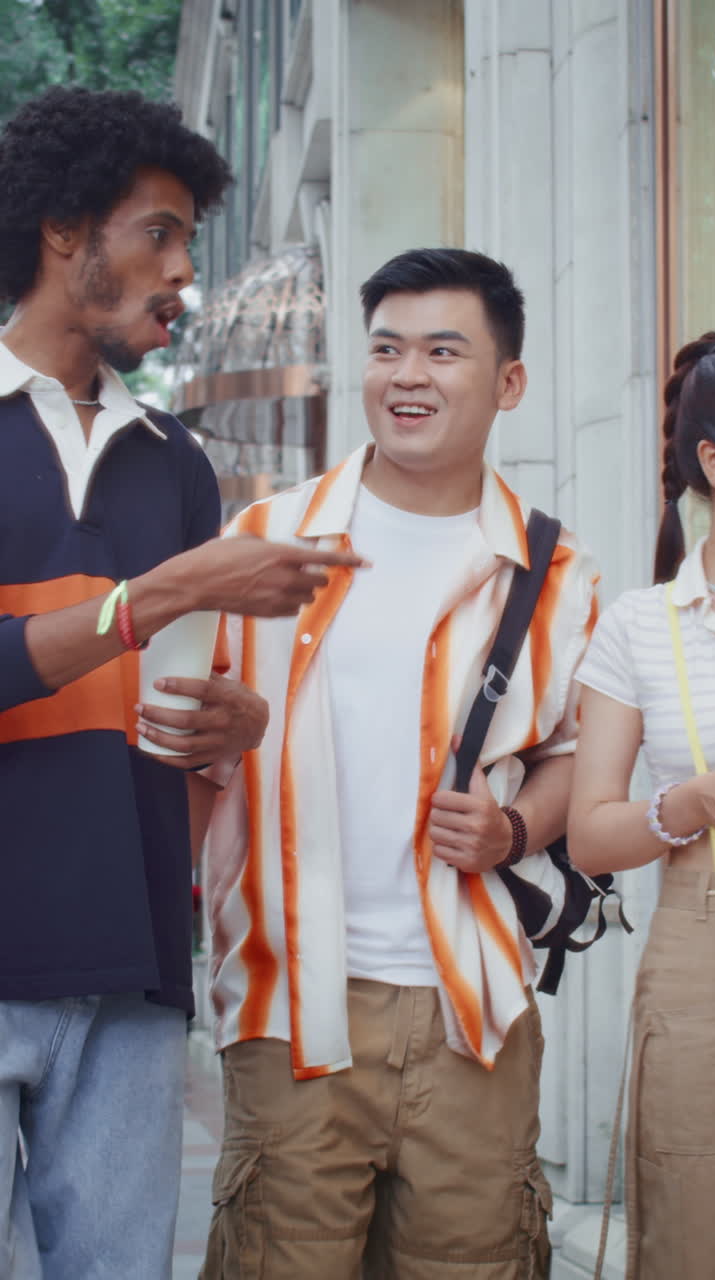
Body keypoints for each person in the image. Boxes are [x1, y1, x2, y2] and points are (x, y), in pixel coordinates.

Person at [0, 85, 360, 1280]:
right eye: (159, 232)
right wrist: (146, 598)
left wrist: (238, 723)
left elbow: (197, 719)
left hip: (137, 962)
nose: (183, 272)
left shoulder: (181, 469)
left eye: (189, 243)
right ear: (66, 231)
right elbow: (127, 625)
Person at [201, 247, 599, 1279]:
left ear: (508, 381)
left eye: (441, 350)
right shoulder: (262, 539)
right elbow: (186, 749)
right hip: (292, 999)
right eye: (386, 349)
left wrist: (516, 829)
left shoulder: (557, 574)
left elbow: (574, 760)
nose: (406, 375)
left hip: (473, 1011)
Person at [569, 332, 715, 1279]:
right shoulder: (640, 625)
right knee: (690, 1221)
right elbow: (589, 834)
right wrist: (693, 799)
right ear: (713, 457)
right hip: (696, 948)